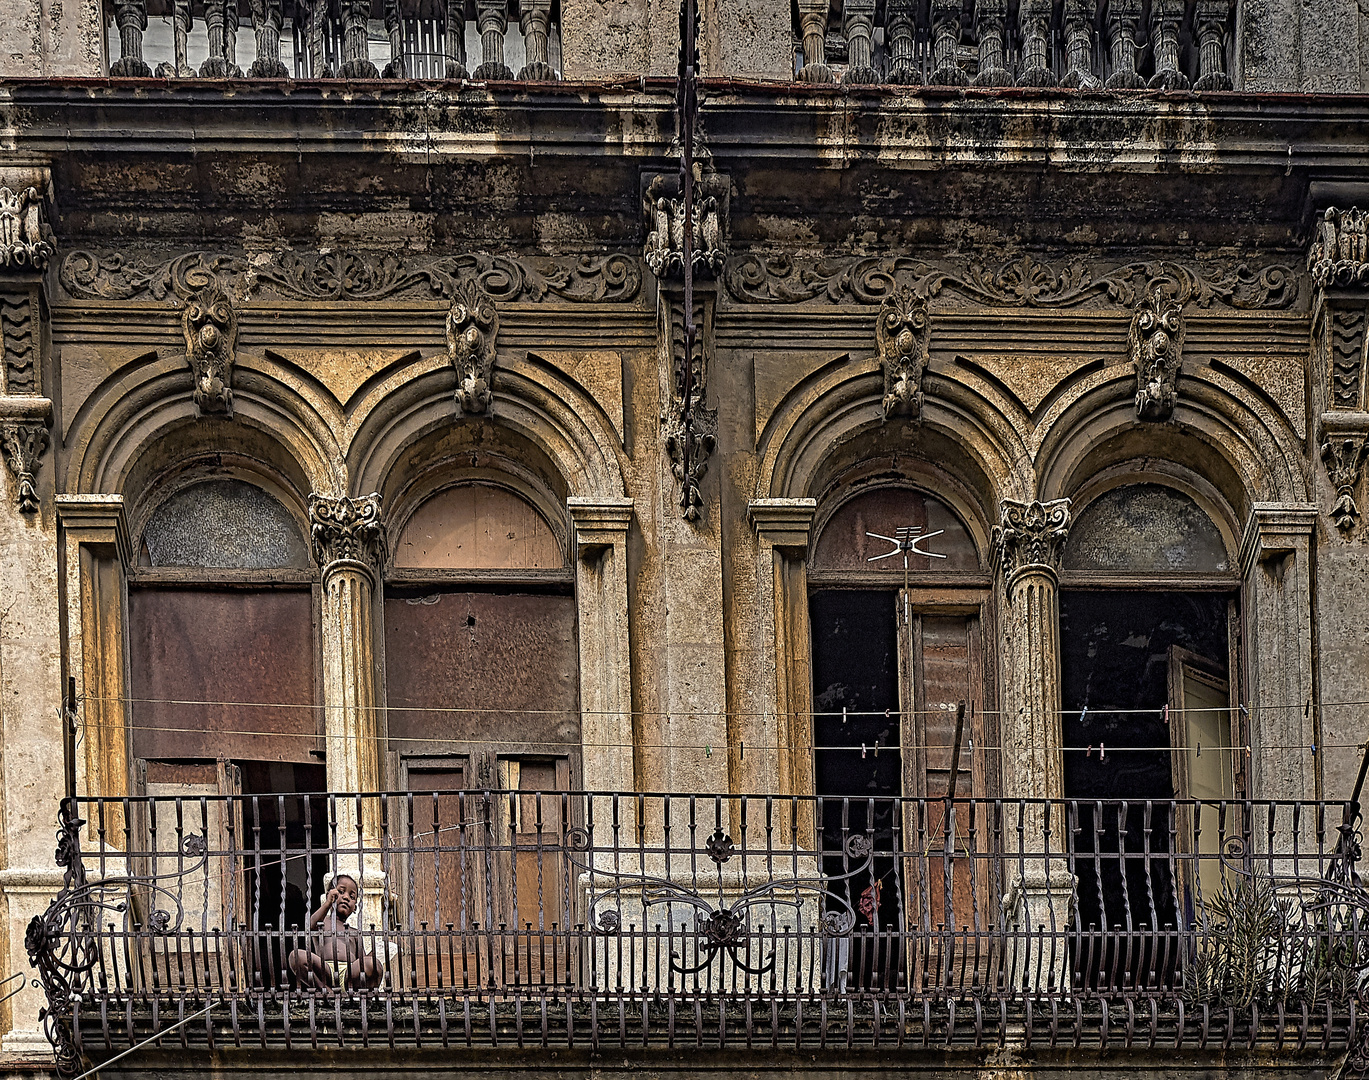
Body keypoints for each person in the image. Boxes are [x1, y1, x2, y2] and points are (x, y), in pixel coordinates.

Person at [287, 873, 383, 991]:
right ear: (330, 895)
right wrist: (327, 903)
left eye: (352, 897)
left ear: (355, 908)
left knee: (374, 964)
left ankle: (366, 997)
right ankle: (323, 989)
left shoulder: (354, 932)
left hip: (348, 974)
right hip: (325, 969)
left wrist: (376, 952)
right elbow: (311, 925)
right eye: (341, 892)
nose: (346, 897)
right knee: (295, 956)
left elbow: (362, 960)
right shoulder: (323, 922)